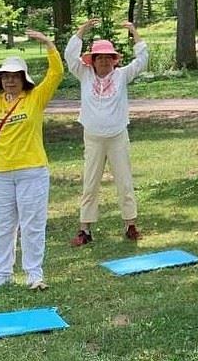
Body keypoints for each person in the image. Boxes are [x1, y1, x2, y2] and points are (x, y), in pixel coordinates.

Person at [0, 29, 63, 290]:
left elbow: (56, 74)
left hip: (32, 170)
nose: (10, 81)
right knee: (2, 225)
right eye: (6, 76)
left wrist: (48, 44)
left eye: (15, 76)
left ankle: (34, 274)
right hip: (0, 173)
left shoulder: (35, 98)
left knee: (32, 225)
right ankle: (2, 273)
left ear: (24, 79)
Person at [65, 19, 149, 246]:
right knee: (90, 183)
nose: (103, 61)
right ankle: (85, 230)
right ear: (92, 60)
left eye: (107, 57)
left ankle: (130, 225)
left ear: (114, 60)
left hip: (117, 136)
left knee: (124, 181)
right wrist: (82, 30)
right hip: (92, 137)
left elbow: (142, 60)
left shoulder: (121, 75)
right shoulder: (85, 74)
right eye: (99, 57)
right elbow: (70, 55)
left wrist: (134, 33)